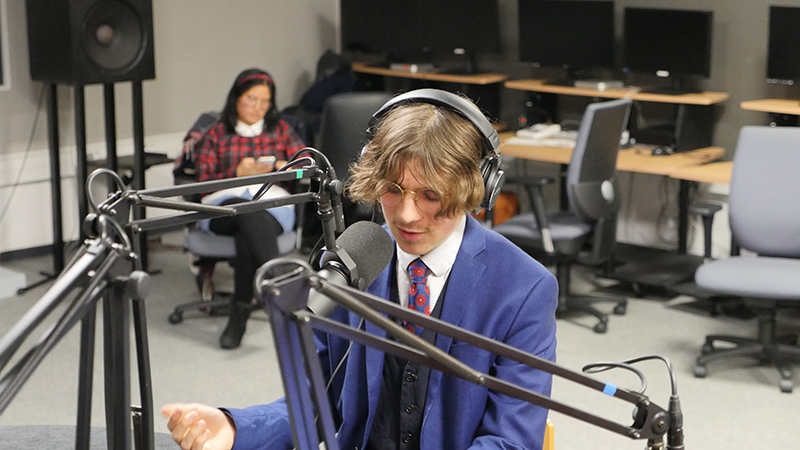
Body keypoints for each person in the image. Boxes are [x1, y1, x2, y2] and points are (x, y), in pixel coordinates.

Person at [163, 89, 558, 449]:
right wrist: (236, 429)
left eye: (430, 195)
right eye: (392, 190)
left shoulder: (523, 289)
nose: (406, 215)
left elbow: (511, 441)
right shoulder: (351, 263)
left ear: (476, 187)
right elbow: (317, 399)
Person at [196, 68, 306, 349]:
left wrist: (283, 167)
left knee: (249, 229)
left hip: (272, 204)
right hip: (223, 205)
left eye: (265, 101)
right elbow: (202, 183)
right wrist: (236, 173)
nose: (258, 107)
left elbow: (307, 165)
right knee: (247, 211)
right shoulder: (216, 132)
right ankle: (281, 285)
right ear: (236, 97)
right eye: (251, 99)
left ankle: (240, 313)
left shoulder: (280, 129)